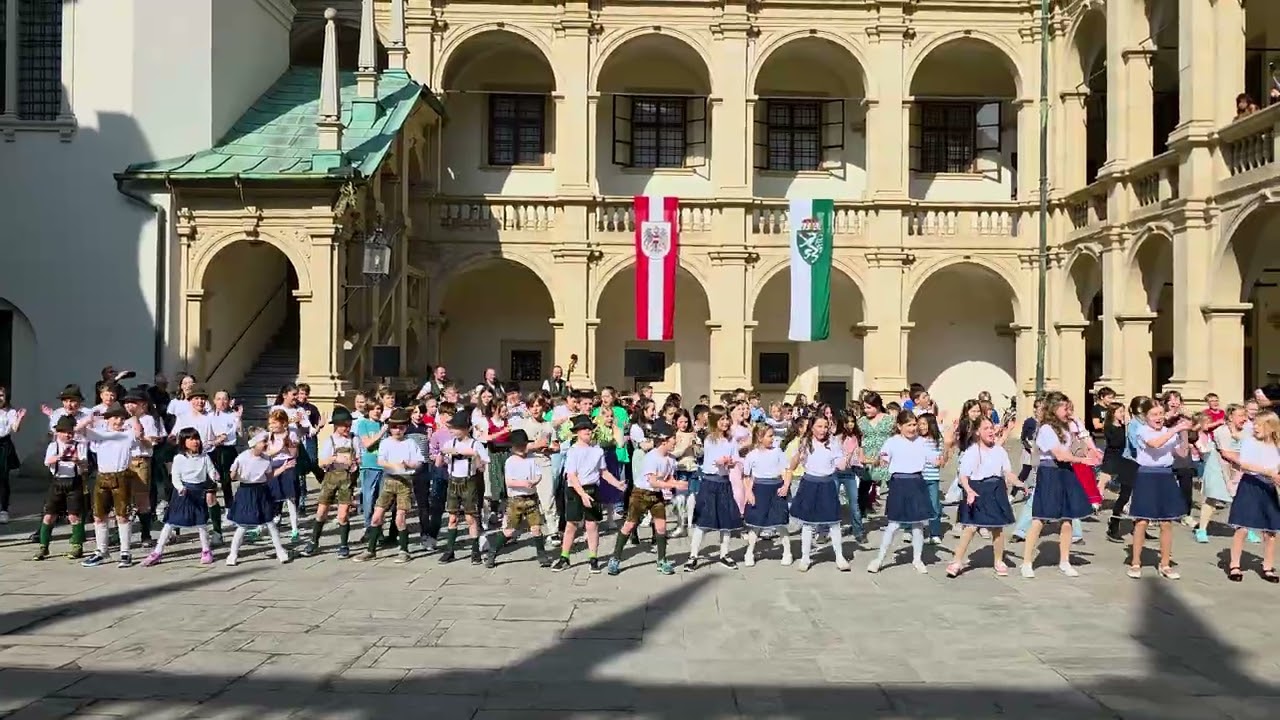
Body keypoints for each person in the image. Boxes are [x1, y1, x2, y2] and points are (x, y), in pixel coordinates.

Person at [1020, 393, 1098, 578]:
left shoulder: (1068, 426)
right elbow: (1060, 454)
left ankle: (1065, 560)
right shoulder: (1046, 429)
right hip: (1050, 472)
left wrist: (1078, 424)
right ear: (1053, 408)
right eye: (1064, 407)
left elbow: (1083, 435)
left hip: (1066, 471)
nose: (1067, 410)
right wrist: (1083, 460)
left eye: (1068, 406)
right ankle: (1027, 562)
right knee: (1040, 517)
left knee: (1068, 517)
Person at [607, 421, 686, 576]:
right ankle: (615, 558)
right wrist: (674, 483)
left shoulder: (671, 459)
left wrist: (672, 485)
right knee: (629, 525)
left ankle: (662, 560)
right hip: (641, 494)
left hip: (656, 495)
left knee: (661, 527)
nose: (675, 442)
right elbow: (653, 481)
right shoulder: (651, 458)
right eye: (673, 439)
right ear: (664, 441)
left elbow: (668, 477)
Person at [948, 416, 1022, 578]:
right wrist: (969, 491)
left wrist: (1018, 483)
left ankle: (998, 560)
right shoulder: (972, 451)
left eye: (991, 428)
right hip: (977, 489)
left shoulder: (999, 451)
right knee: (971, 527)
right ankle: (957, 561)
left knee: (998, 528)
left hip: (996, 490)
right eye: (986, 428)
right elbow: (964, 476)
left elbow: (1007, 472)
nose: (990, 431)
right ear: (977, 432)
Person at [868, 410, 938, 574]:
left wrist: (948, 446)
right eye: (909, 425)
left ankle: (917, 559)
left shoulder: (922, 442)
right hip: (899, 483)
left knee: (918, 524)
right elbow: (884, 458)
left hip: (917, 482)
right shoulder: (892, 442)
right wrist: (880, 461)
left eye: (914, 424)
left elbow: (935, 460)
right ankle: (879, 559)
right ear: (899, 426)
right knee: (894, 524)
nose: (913, 428)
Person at [553, 415, 624, 573]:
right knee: (572, 524)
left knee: (592, 525)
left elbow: (603, 472)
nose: (587, 431)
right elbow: (571, 475)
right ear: (577, 432)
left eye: (590, 429)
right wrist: (582, 495)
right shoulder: (573, 451)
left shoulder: (597, 451)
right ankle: (564, 557)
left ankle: (593, 558)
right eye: (584, 429)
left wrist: (617, 484)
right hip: (575, 489)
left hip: (593, 489)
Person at [355, 408, 424, 563]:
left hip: (404, 482)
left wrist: (409, 464)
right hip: (388, 480)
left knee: (400, 518)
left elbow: (419, 462)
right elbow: (381, 461)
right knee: (377, 516)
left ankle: (404, 550)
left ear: (406, 427)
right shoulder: (386, 442)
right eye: (394, 426)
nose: (397, 430)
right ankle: (370, 549)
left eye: (401, 427)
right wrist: (394, 466)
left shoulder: (410, 443)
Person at [141, 427, 219, 567]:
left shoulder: (204, 457)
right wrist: (180, 488)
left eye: (196, 438)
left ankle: (206, 550)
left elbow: (211, 471)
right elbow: (175, 477)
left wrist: (214, 477)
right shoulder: (179, 458)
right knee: (170, 522)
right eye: (191, 439)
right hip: (183, 493)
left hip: (198, 491)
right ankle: (157, 552)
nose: (195, 442)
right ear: (183, 442)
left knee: (201, 523)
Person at [79, 404, 144, 568]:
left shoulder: (127, 434)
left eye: (121, 418)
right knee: (99, 515)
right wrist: (91, 418)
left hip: (120, 476)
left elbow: (139, 432)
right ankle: (101, 551)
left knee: (122, 514)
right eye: (115, 417)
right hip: (102, 476)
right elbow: (78, 431)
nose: (119, 421)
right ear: (107, 419)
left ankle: (125, 552)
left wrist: (134, 415)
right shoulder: (100, 434)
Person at [1224, 411, 1280, 582]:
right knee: (1242, 527)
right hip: (1251, 483)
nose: (1254, 427)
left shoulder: (1277, 445)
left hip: (1268, 487)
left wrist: (1275, 476)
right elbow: (1245, 464)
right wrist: (1268, 472)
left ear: (1270, 427)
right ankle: (1235, 565)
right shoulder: (1250, 442)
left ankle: (1268, 566)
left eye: (1259, 424)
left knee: (1270, 530)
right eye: (1254, 423)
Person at [486, 429, 552, 568]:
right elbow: (509, 482)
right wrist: (523, 483)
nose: (522, 448)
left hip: (531, 498)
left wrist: (535, 481)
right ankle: (493, 552)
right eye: (519, 446)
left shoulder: (531, 460)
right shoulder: (510, 461)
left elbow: (539, 474)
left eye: (523, 445)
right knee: (509, 530)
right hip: (515, 500)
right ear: (513, 447)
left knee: (536, 528)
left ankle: (541, 554)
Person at [225, 430, 293, 566]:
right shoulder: (242, 458)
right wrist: (234, 473)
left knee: (270, 523)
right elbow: (232, 477)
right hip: (246, 492)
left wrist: (283, 468)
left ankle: (280, 551)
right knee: (243, 525)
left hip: (261, 491)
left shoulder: (266, 459)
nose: (267, 444)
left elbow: (268, 476)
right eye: (263, 441)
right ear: (253, 443)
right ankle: (233, 554)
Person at [299, 406, 359, 558]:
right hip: (331, 478)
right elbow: (321, 463)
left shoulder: (354, 439)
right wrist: (334, 458)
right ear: (337, 426)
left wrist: (355, 463)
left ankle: (344, 545)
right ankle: (313, 542)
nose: (347, 427)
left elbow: (360, 458)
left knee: (343, 515)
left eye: (349, 424)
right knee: (321, 512)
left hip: (347, 480)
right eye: (345, 425)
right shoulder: (330, 441)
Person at [31, 415, 88, 560]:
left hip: (74, 482)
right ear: (58, 433)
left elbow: (85, 465)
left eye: (70, 432)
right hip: (57, 482)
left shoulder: (79, 445)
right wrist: (59, 457)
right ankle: (43, 547)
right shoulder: (53, 446)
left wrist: (77, 460)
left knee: (74, 515)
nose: (68, 435)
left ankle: (77, 546)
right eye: (65, 432)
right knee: (49, 515)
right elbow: (47, 462)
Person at [742, 424, 792, 567]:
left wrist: (785, 485)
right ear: (759, 437)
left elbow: (787, 470)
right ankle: (749, 552)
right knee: (756, 524)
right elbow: (746, 476)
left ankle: (787, 552)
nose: (773, 439)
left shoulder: (778, 452)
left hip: (776, 488)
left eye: (773, 435)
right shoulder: (752, 455)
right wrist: (749, 492)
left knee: (780, 522)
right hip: (760, 489)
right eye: (769, 436)